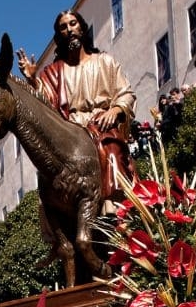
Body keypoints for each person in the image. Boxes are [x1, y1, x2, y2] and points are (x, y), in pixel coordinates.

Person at [17, 10, 136, 199]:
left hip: (101, 125)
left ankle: (115, 203)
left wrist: (115, 109)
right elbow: (45, 106)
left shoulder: (105, 62)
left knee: (110, 150)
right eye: (63, 27)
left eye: (73, 23)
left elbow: (126, 93)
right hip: (71, 130)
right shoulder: (53, 72)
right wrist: (33, 80)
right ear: (59, 35)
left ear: (81, 27)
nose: (69, 29)